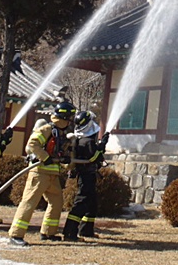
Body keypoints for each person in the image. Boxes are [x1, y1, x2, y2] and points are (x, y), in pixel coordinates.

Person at [8, 101, 75, 246]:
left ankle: (48, 232)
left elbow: (60, 153)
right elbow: (32, 144)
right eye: (70, 118)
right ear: (64, 117)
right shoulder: (46, 129)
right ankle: (16, 234)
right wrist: (45, 157)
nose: (71, 121)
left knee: (57, 202)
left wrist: (67, 161)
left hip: (52, 175)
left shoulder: (61, 133)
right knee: (29, 202)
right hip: (39, 173)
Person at [62, 110, 109, 241]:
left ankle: (86, 230)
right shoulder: (87, 141)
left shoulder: (81, 139)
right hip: (86, 176)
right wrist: (102, 146)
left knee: (91, 203)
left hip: (87, 174)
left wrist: (99, 146)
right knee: (81, 202)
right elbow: (93, 158)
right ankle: (69, 232)